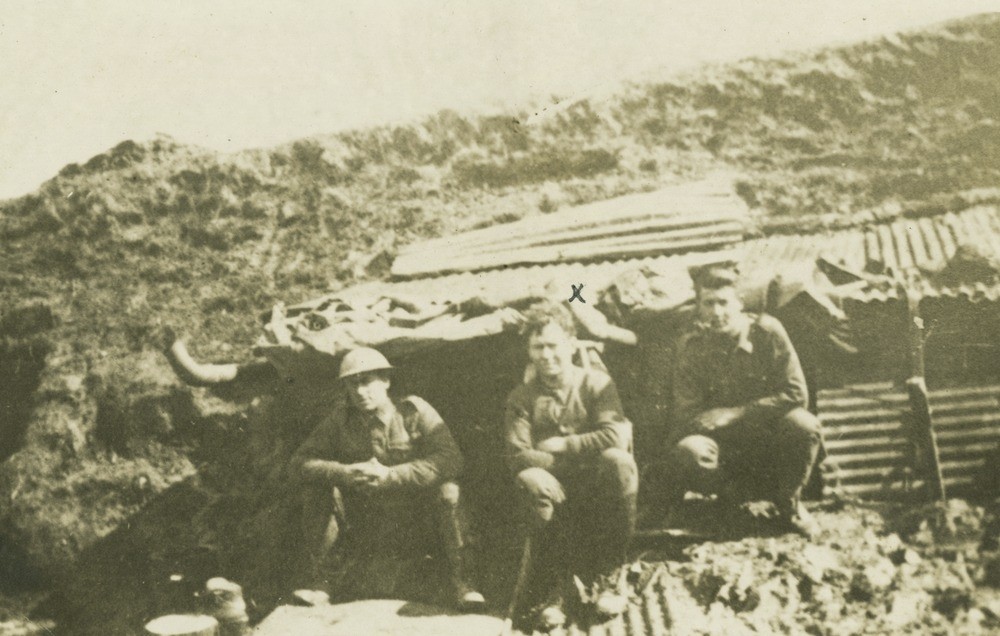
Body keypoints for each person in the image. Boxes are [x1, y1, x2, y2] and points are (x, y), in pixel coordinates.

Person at [289, 347, 484, 610]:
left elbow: (450, 459)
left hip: (418, 520)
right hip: (366, 522)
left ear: (386, 381)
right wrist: (343, 473)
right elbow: (300, 463)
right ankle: (323, 583)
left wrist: (391, 475)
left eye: (367, 382)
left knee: (450, 491)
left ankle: (465, 583)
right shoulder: (340, 420)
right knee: (318, 490)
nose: (360, 391)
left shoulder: (413, 412)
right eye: (352, 384)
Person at [504, 301, 638, 630]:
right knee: (530, 478)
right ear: (529, 351)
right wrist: (561, 463)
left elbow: (614, 436)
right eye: (538, 347)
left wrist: (565, 444)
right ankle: (555, 590)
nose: (547, 355)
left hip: (597, 484)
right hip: (554, 486)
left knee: (618, 462)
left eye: (553, 345)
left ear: (571, 343)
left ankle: (610, 577)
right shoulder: (521, 397)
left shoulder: (595, 384)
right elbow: (517, 455)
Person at [665, 262, 822, 538]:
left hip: (768, 435)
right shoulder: (691, 348)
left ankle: (789, 505)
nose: (717, 312)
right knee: (690, 450)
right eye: (708, 303)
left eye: (723, 302)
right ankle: (731, 504)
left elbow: (797, 393)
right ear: (698, 307)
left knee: (804, 425)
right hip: (724, 445)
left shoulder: (767, 333)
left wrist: (736, 413)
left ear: (739, 302)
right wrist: (715, 423)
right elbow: (686, 415)